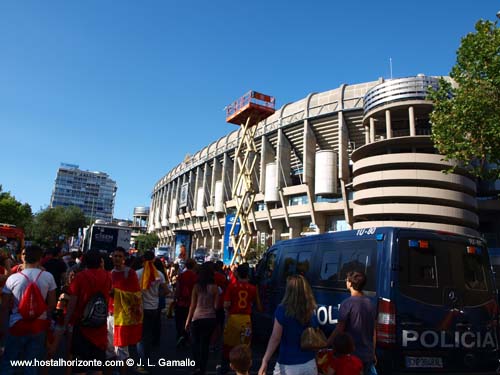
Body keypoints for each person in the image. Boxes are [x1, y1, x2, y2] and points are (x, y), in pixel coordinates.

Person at [0, 245, 57, 375]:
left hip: (16, 325)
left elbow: (4, 306)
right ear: (40, 259)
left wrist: (3, 326)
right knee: (31, 365)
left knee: (9, 362)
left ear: (23, 257)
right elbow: (52, 303)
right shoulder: (48, 277)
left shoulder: (12, 278)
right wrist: (43, 316)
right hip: (38, 326)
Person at [62, 250, 112, 375]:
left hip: (81, 324)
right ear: (100, 262)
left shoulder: (80, 277)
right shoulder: (108, 276)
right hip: (99, 324)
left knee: (80, 365)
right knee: (97, 367)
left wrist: (66, 320)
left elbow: (73, 301)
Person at [258, 275, 318, 375]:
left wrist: (265, 360)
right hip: (309, 363)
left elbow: (275, 338)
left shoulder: (282, 310)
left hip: (288, 364)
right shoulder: (311, 310)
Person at [327, 271, 376, 375]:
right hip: (368, 355)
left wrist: (327, 343)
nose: (346, 282)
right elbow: (374, 331)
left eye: (346, 280)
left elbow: (340, 328)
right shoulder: (370, 303)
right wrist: (373, 352)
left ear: (350, 283)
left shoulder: (347, 304)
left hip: (352, 356)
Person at [219, 263, 262, 375]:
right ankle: (244, 370)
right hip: (246, 320)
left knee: (229, 347)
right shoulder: (252, 288)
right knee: (244, 348)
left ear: (237, 274)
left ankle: (225, 368)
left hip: (233, 319)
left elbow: (226, 304)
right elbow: (259, 306)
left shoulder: (232, 287)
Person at [107, 247, 143, 375]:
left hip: (123, 317)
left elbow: (136, 295)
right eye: (115, 256)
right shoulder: (110, 273)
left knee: (122, 350)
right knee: (109, 349)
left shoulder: (130, 273)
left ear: (124, 259)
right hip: (110, 315)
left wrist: (116, 293)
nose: (116, 258)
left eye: (119, 256)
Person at [135, 251, 167, 373]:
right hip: (154, 307)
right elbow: (167, 291)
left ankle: (142, 363)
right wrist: (157, 295)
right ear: (154, 260)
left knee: (140, 337)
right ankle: (146, 361)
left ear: (143, 259)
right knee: (148, 336)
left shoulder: (137, 273)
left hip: (140, 307)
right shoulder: (159, 274)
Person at [185, 262, 218, 375]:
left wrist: (188, 321)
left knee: (195, 343)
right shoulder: (215, 288)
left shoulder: (196, 287)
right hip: (210, 318)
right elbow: (216, 306)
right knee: (205, 344)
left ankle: (196, 366)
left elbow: (192, 306)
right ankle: (203, 368)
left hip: (197, 317)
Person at [175, 258, 197, 348]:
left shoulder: (181, 276)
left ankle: (181, 336)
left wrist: (175, 298)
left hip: (181, 302)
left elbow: (178, 289)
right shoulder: (196, 277)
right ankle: (186, 337)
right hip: (191, 303)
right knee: (189, 322)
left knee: (180, 321)